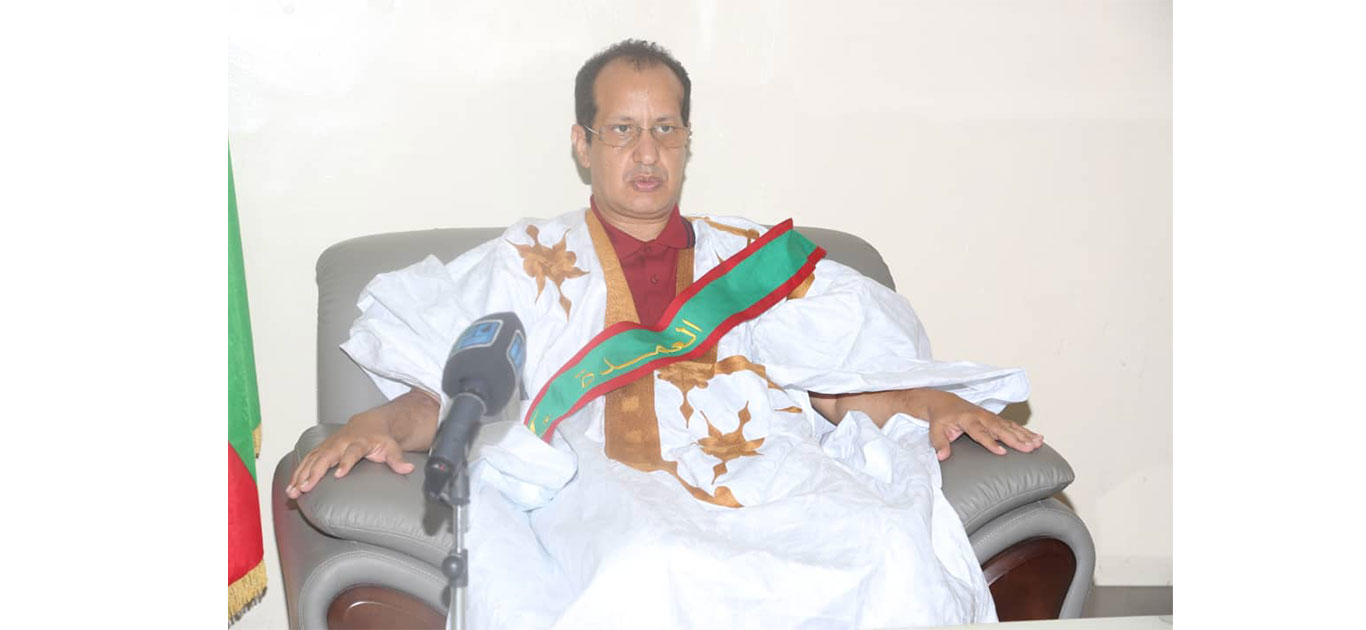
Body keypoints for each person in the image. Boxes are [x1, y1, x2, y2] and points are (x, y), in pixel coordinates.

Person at [287, 39, 1043, 628]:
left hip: (771, 472)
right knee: (656, 562)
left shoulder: (752, 258)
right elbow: (455, 395)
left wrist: (932, 405)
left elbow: (840, 391)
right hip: (611, 482)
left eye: (664, 129)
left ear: (687, 140)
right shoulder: (525, 262)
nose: (646, 153)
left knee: (887, 544)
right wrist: (374, 425)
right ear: (582, 143)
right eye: (622, 130)